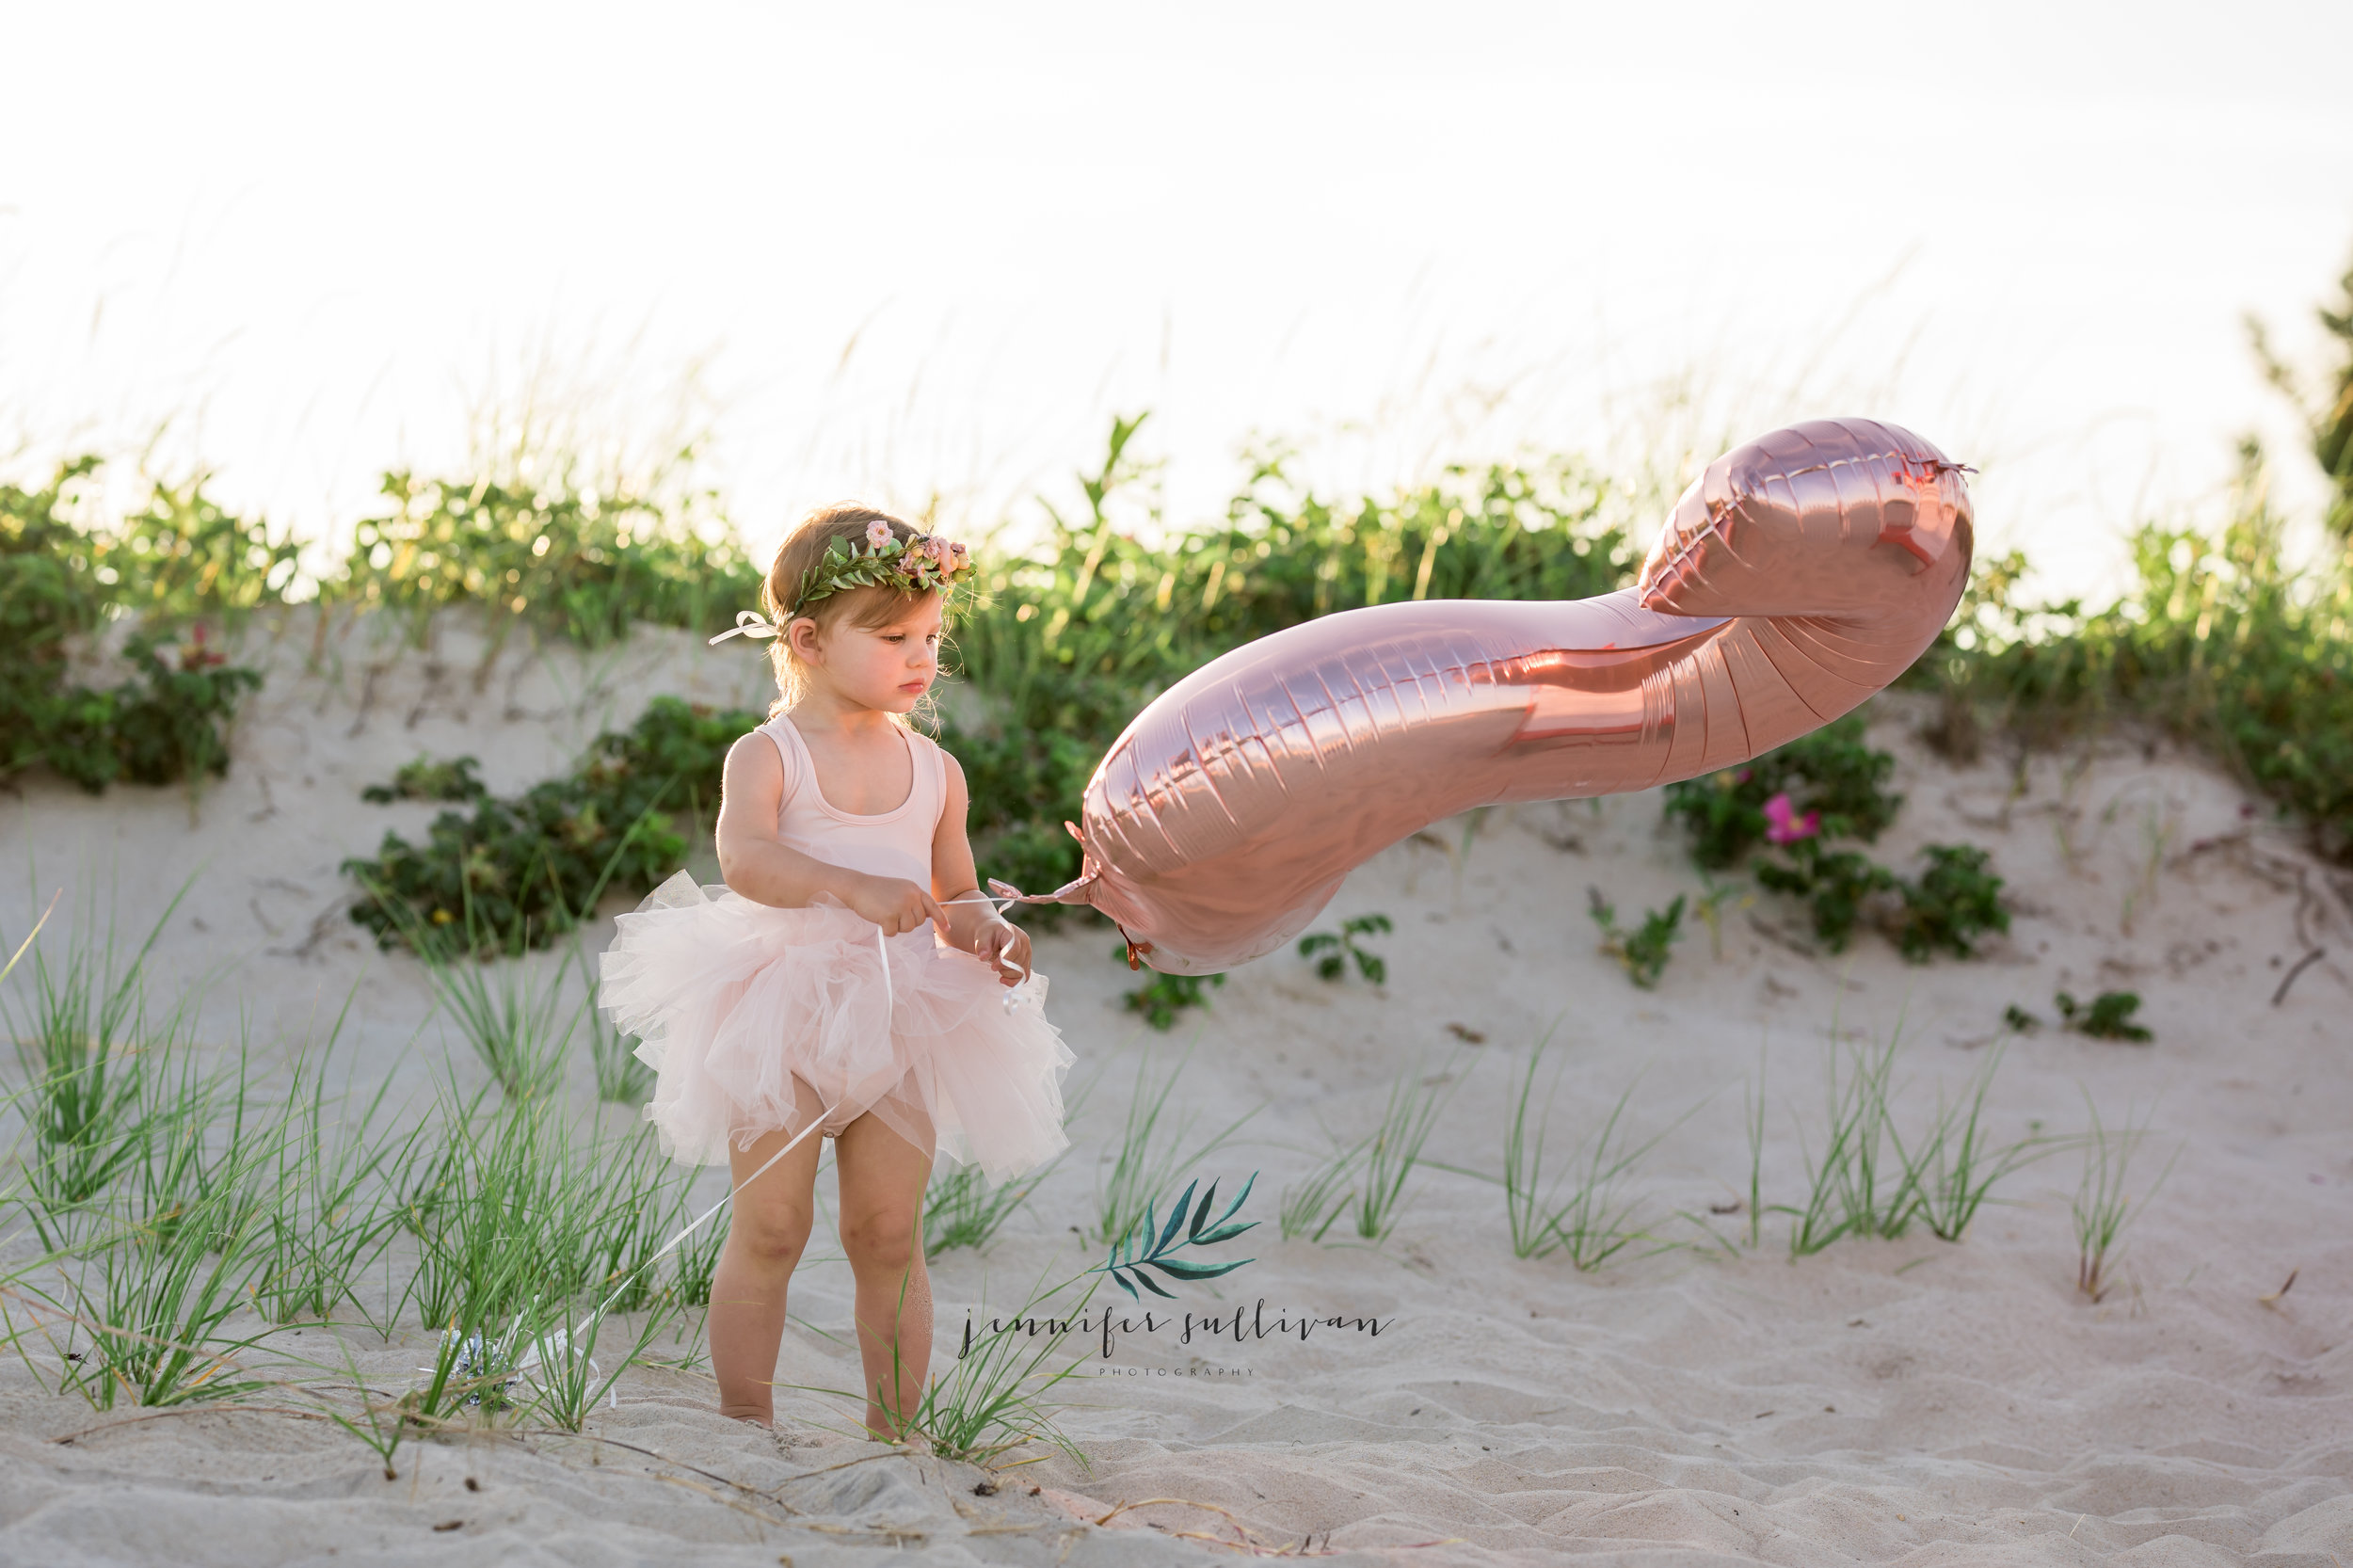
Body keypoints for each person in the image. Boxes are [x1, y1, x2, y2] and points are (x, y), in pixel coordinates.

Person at [599, 504, 1073, 1436]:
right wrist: (847, 884)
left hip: (902, 1021)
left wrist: (990, 934)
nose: (919, 656)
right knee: (772, 1227)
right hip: (781, 1011)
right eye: (892, 635)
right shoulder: (767, 755)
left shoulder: (936, 769)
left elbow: (957, 890)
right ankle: (745, 1420)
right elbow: (747, 862)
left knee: (887, 1233)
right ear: (810, 639)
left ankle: (892, 1433)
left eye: (930, 636)